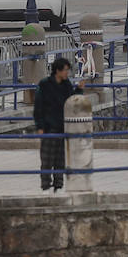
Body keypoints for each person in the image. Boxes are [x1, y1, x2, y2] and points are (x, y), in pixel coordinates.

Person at [33, 56, 83, 192]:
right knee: (47, 158)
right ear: (58, 71)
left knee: (60, 159)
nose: (67, 73)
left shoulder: (66, 85)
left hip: (62, 126)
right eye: (65, 70)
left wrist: (79, 90)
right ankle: (45, 185)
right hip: (49, 127)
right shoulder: (44, 85)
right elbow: (38, 107)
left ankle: (58, 185)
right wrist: (40, 126)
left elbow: (71, 101)